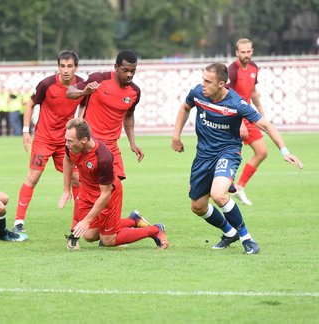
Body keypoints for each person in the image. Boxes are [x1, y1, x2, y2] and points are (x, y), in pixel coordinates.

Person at [171, 63, 303, 255]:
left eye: (208, 81)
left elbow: (266, 126)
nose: (203, 84)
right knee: (198, 207)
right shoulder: (198, 93)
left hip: (228, 153)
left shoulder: (236, 104)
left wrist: (285, 152)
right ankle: (229, 232)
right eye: (203, 80)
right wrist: (176, 136)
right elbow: (185, 107)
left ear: (221, 84)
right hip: (203, 157)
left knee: (219, 195)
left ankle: (247, 239)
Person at [58, 119, 168, 250]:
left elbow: (105, 194)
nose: (66, 144)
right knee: (89, 235)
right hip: (87, 192)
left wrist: (87, 220)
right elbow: (67, 160)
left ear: (84, 140)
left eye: (70, 140)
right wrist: (66, 190)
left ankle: (156, 230)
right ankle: (134, 220)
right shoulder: (70, 146)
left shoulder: (103, 157)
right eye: (66, 139)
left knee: (108, 240)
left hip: (108, 194)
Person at [13, 50, 87, 233]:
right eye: (62, 66)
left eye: (70, 66)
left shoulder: (81, 85)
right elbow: (30, 104)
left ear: (76, 67)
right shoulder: (47, 84)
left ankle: (76, 225)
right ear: (58, 67)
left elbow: (84, 103)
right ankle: (18, 221)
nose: (66, 70)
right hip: (44, 139)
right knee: (33, 177)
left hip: (66, 142)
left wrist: (78, 126)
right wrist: (25, 131)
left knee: (77, 179)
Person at [66, 50, 144, 182]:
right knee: (89, 185)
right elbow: (69, 92)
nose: (129, 74)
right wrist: (84, 92)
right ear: (116, 67)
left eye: (133, 71)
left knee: (115, 184)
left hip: (111, 145)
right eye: (125, 70)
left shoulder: (134, 92)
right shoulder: (98, 79)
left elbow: (129, 116)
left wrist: (132, 143)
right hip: (91, 142)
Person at [227, 38, 268, 206]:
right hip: (233, 119)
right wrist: (239, 122)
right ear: (237, 53)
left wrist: (262, 115)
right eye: (242, 52)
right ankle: (217, 188)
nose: (246, 55)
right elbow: (227, 96)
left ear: (252, 51)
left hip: (249, 116)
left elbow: (253, 92)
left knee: (262, 152)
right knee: (229, 155)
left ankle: (240, 187)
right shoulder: (232, 70)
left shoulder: (254, 68)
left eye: (248, 51)